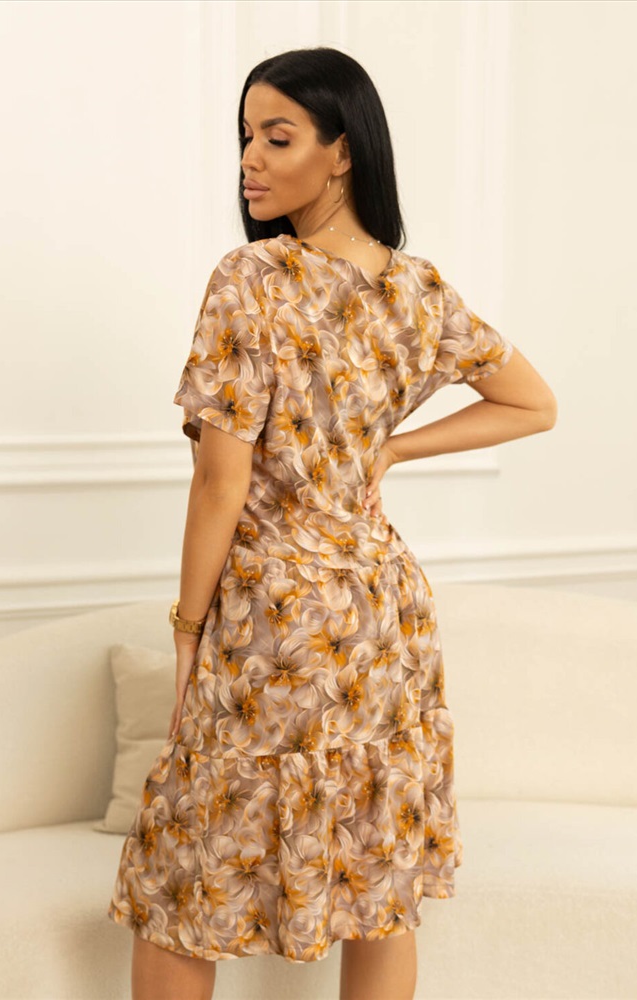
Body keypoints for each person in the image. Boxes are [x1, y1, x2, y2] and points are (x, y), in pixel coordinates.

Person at [107, 46, 557, 1000]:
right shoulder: (416, 289)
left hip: (271, 616)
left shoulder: (252, 277)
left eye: (276, 138)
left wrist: (186, 629)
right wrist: (385, 450)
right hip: (380, 613)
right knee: (375, 874)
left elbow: (219, 484)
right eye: (244, 137)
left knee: (183, 880)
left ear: (341, 152)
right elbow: (531, 403)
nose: (249, 160)